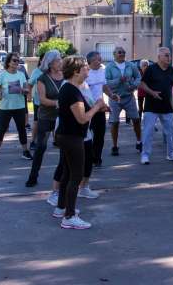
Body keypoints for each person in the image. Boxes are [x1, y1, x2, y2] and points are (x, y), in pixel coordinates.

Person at [52, 55, 110, 229]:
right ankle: (69, 216)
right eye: (85, 67)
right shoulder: (71, 91)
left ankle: (61, 208)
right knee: (75, 176)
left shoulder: (71, 88)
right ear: (76, 71)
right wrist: (97, 107)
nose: (88, 69)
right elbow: (82, 119)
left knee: (68, 174)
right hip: (72, 138)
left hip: (67, 136)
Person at [138, 47, 173, 164]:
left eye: (169, 55)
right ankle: (145, 155)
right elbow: (142, 84)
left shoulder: (171, 70)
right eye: (166, 55)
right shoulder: (151, 69)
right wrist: (152, 92)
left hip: (167, 107)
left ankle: (171, 153)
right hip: (151, 107)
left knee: (171, 131)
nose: (169, 57)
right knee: (148, 132)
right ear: (159, 57)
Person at [26, 50, 62, 187]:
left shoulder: (65, 76)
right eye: (58, 60)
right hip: (46, 116)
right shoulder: (43, 78)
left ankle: (62, 178)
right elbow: (42, 99)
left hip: (62, 116)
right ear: (50, 63)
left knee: (64, 147)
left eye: (60, 59)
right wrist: (58, 103)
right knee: (41, 146)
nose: (61, 62)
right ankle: (33, 175)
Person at [0, 52, 32, 163]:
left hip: (19, 106)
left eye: (18, 60)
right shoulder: (2, 75)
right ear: (8, 62)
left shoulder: (21, 74)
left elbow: (26, 89)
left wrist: (25, 91)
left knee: (21, 129)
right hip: (5, 107)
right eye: (14, 60)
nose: (16, 62)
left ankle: (25, 151)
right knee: (1, 130)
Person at [103, 47, 143, 156]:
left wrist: (134, 86)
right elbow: (106, 82)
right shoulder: (109, 67)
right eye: (119, 52)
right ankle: (115, 146)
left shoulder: (131, 65)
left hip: (128, 96)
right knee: (115, 122)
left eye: (124, 52)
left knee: (136, 119)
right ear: (114, 54)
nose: (122, 54)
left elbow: (138, 77)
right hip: (115, 98)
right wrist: (118, 80)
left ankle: (139, 141)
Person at [85, 52, 117, 167]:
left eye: (100, 59)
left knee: (99, 135)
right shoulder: (85, 73)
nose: (100, 62)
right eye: (97, 60)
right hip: (87, 109)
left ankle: (96, 158)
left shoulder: (102, 71)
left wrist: (112, 95)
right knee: (86, 135)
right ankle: (87, 157)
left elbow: (104, 87)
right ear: (89, 62)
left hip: (100, 109)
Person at [27, 52, 45, 151]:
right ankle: (33, 141)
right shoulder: (37, 71)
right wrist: (29, 95)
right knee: (37, 122)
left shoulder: (53, 71)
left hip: (52, 100)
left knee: (54, 120)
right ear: (41, 61)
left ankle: (56, 140)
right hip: (39, 101)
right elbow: (29, 84)